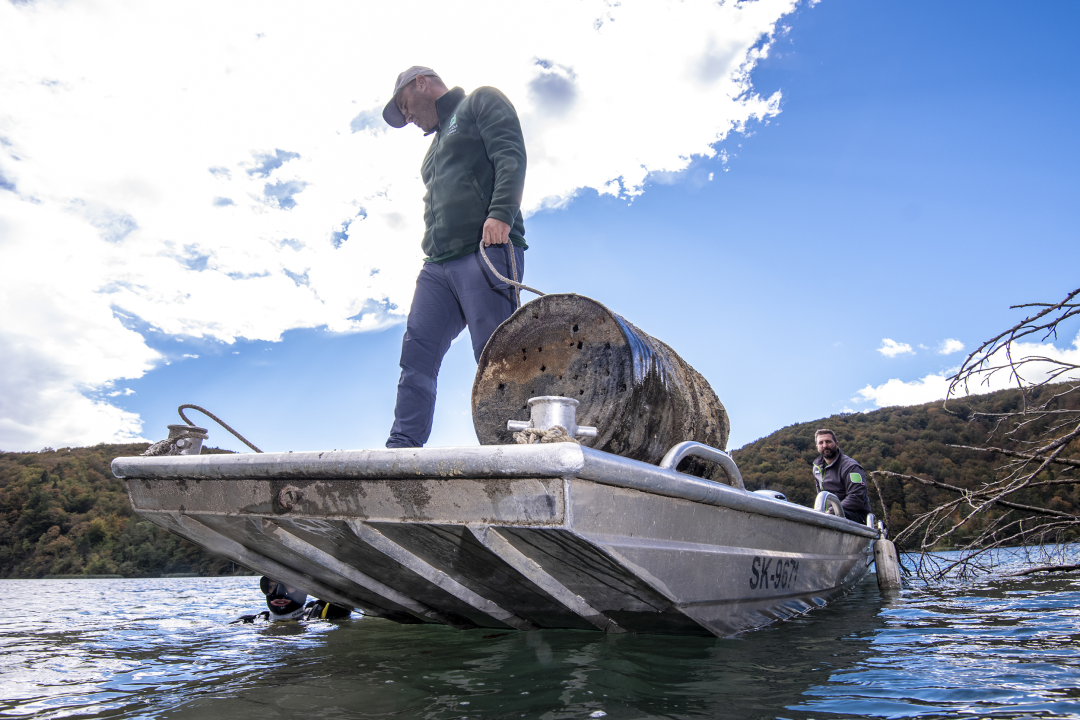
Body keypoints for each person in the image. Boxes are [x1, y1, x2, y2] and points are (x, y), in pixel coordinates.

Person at [381, 66, 528, 449]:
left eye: (405, 106)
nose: (408, 116)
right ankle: (402, 447)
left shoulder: (480, 101)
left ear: (421, 83)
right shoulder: (430, 153)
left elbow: (510, 154)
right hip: (437, 265)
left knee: (496, 355)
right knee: (416, 356)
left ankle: (508, 449)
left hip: (486, 250)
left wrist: (500, 215)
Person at [811, 428, 872, 524]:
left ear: (837, 444)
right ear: (817, 447)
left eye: (828, 441)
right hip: (830, 516)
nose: (825, 445)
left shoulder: (851, 467)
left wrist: (832, 511)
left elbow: (857, 497)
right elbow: (821, 496)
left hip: (856, 517)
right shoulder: (817, 468)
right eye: (821, 443)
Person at [232, 577, 352, 623]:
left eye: (289, 586)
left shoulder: (319, 613)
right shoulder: (250, 621)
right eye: (272, 586)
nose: (279, 593)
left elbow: (346, 587)